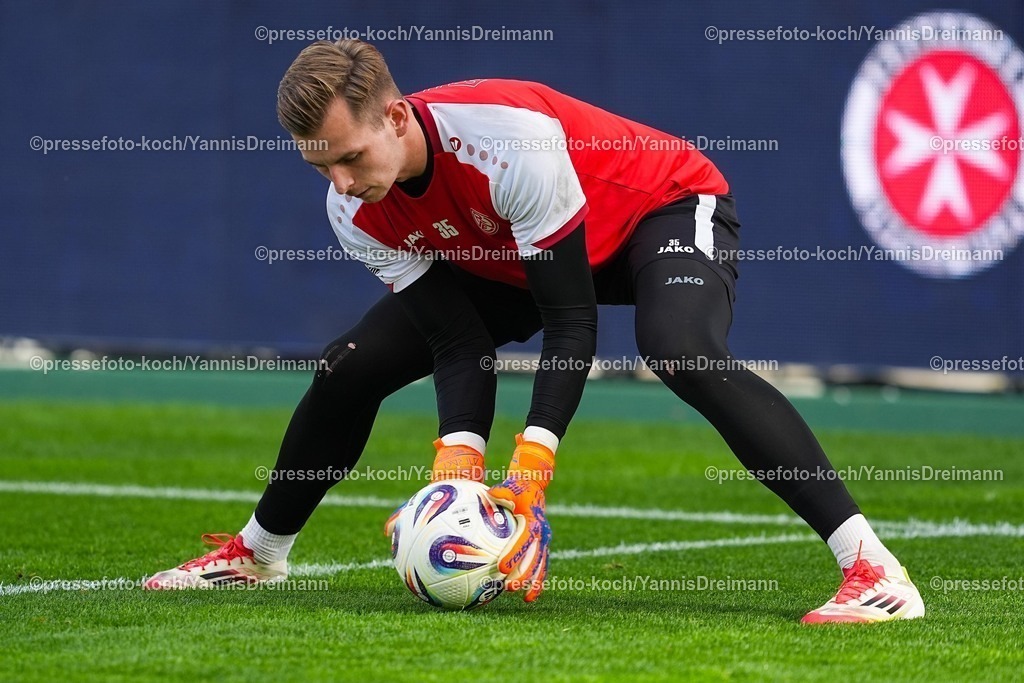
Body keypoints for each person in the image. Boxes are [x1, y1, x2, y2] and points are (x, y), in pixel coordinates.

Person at [145, 38, 925, 623]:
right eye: (320, 167)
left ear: (395, 113)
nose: (342, 184)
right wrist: (460, 464)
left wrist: (528, 473)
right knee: (350, 364)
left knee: (679, 346)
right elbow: (458, 340)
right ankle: (258, 553)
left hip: (658, 212)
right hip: (513, 256)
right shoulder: (353, 207)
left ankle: (873, 569)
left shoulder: (505, 141)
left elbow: (569, 318)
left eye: (348, 157)